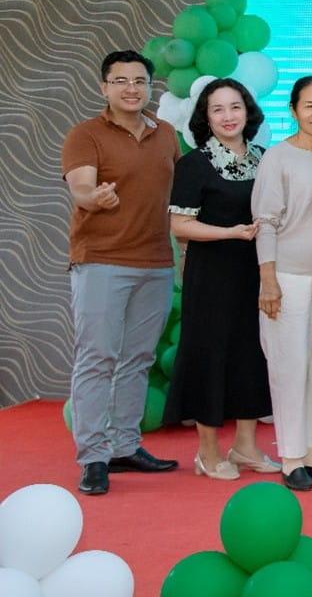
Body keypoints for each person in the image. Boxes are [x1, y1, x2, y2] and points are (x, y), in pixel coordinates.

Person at [62, 50, 182, 496]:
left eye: (139, 81)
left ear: (150, 87)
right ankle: (93, 456)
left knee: (137, 359)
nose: (131, 88)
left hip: (156, 262)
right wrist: (93, 198)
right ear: (104, 88)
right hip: (102, 261)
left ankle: (125, 446)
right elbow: (81, 187)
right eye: (121, 81)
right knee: (97, 358)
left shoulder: (165, 134)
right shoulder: (86, 134)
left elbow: (181, 194)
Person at [164, 77, 279, 480]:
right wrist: (229, 232)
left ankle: (246, 447)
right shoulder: (194, 164)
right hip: (211, 276)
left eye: (235, 107)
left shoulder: (266, 159)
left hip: (257, 273)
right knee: (209, 356)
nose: (228, 116)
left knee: (252, 355)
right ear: (205, 117)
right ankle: (208, 452)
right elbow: (180, 225)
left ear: (248, 111)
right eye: (218, 109)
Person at [252, 76, 312, 492]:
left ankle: (310, 451)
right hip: (287, 276)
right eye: (309, 106)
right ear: (293, 110)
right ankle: (290, 456)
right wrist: (268, 280)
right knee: (288, 366)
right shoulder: (277, 157)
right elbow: (266, 222)